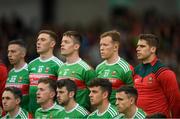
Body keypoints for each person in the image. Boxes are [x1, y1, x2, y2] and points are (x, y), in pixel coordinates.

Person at [134, 34, 180, 118]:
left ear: (153, 49)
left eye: (142, 46)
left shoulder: (164, 72)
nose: (137, 49)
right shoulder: (135, 70)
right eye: (137, 46)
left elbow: (175, 103)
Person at [58, 31, 96, 110]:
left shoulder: (86, 69)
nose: (62, 44)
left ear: (76, 46)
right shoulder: (61, 68)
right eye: (62, 42)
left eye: (66, 42)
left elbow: (96, 96)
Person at [28, 30, 63, 115]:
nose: (38, 42)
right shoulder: (31, 64)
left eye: (43, 40)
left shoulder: (58, 65)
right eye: (38, 40)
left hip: (51, 113)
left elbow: (61, 90)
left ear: (52, 44)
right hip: (31, 111)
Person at [96, 30, 133, 105]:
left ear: (115, 47)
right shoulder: (98, 68)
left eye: (105, 45)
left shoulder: (126, 68)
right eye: (101, 45)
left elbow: (132, 96)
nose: (101, 48)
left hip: (118, 114)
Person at [6, 40, 29, 111]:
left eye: (13, 51)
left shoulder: (30, 71)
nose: (9, 54)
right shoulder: (10, 72)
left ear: (23, 54)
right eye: (8, 52)